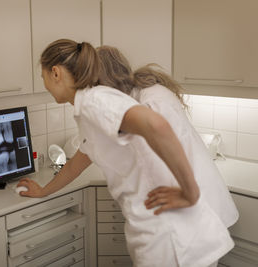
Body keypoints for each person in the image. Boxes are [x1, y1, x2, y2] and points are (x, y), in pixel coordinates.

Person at [17, 39, 234, 267]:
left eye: (42, 77)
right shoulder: (90, 106)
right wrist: (43, 191)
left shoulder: (95, 101)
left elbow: (157, 126)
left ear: (55, 73)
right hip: (165, 233)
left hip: (172, 238)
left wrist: (190, 192)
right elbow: (78, 161)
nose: (44, 84)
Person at [95, 45, 239, 231]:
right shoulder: (138, 96)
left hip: (195, 200)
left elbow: (161, 144)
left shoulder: (151, 100)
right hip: (187, 199)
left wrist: (190, 193)